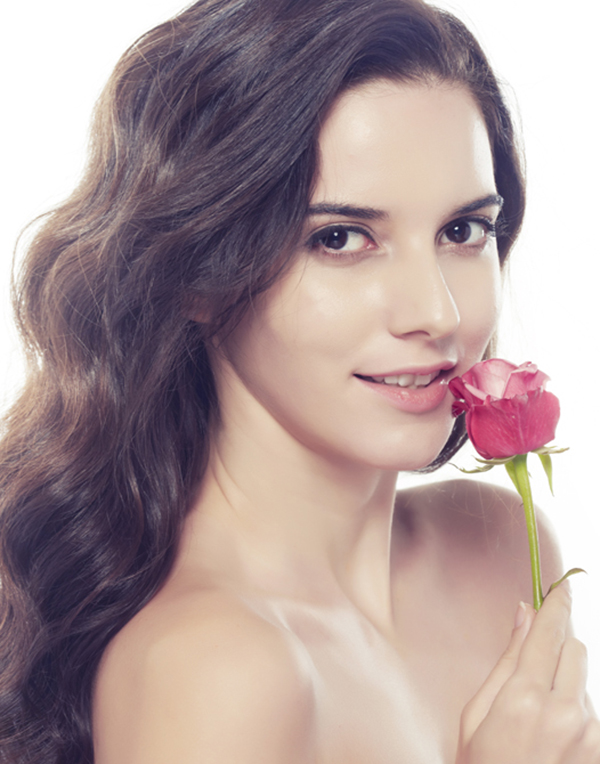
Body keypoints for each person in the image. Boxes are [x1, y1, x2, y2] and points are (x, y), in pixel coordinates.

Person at [0, 0, 597, 762]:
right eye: (341, 239)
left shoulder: (502, 547)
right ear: (201, 273)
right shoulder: (214, 670)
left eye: (462, 230)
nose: (437, 312)